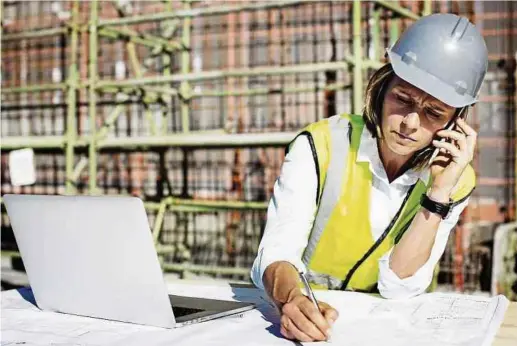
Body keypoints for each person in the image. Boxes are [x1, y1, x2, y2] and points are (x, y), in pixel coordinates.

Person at [250, 13, 488, 342]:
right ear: (381, 86)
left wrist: (437, 196)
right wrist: (292, 300)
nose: (410, 123)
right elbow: (275, 253)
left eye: (434, 113)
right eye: (402, 99)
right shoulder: (321, 145)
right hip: (305, 316)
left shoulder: (456, 180)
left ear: (455, 122)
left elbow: (399, 287)